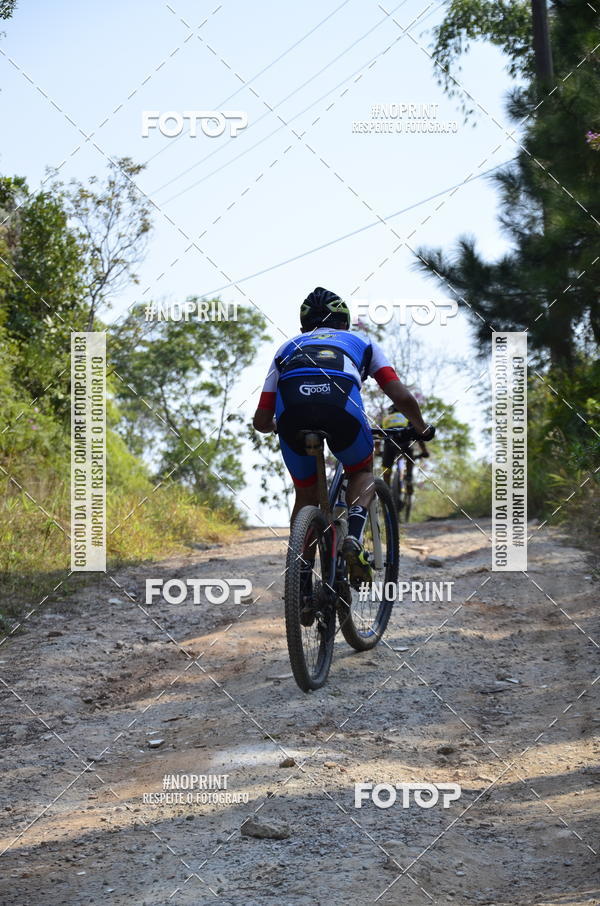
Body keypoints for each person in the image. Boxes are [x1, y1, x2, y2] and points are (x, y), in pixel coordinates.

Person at [252, 287, 434, 585]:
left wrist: (275, 426)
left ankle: (302, 585)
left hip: (292, 416)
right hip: (341, 412)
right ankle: (353, 537)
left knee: (306, 494)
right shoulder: (362, 341)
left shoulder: (287, 347)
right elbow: (399, 394)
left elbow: (261, 420)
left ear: (303, 328)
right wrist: (422, 428)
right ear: (345, 323)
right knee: (361, 470)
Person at [380, 403, 429, 486]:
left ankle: (386, 490)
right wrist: (424, 451)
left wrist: (377, 451)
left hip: (389, 445)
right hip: (404, 444)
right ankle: (409, 476)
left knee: (386, 468)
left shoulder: (385, 420)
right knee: (410, 458)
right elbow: (418, 436)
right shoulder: (407, 418)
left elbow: (379, 435)